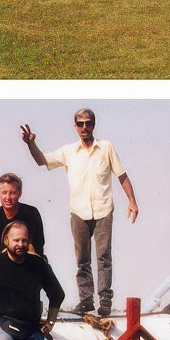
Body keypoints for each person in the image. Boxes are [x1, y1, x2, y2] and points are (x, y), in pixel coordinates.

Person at [21, 110, 139, 317]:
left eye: (88, 123)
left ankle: (105, 300)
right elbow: (42, 161)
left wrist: (132, 201)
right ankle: (86, 300)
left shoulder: (106, 147)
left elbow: (121, 175)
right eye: (80, 124)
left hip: (103, 210)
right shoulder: (69, 151)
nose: (84, 128)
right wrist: (31, 144)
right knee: (82, 260)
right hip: (79, 212)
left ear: (94, 124)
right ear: (75, 126)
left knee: (104, 257)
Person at [0, 172, 46, 257]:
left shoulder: (31, 213)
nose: (8, 197)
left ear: (19, 194)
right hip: (6, 263)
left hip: (32, 262)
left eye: (12, 193)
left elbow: (31, 248)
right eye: (4, 192)